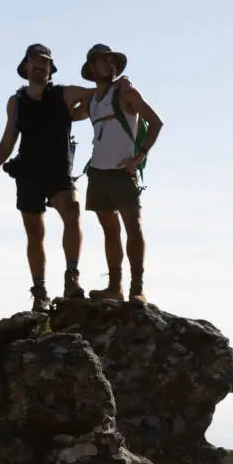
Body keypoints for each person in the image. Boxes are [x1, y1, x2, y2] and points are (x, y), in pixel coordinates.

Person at [0, 43, 94, 308]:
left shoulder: (64, 94)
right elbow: (7, 142)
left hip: (59, 173)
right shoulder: (16, 102)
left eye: (45, 62)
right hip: (28, 173)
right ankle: (40, 292)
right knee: (34, 234)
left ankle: (71, 278)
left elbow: (95, 94)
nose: (40, 66)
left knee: (73, 210)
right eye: (35, 61)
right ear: (26, 66)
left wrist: (77, 113)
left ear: (51, 68)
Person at [81, 44, 162, 304]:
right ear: (93, 67)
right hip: (97, 173)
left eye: (113, 61)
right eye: (105, 61)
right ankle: (114, 288)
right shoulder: (93, 99)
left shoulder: (126, 92)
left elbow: (156, 123)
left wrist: (139, 157)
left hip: (121, 174)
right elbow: (69, 113)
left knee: (133, 228)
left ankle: (136, 289)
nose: (111, 65)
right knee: (110, 231)